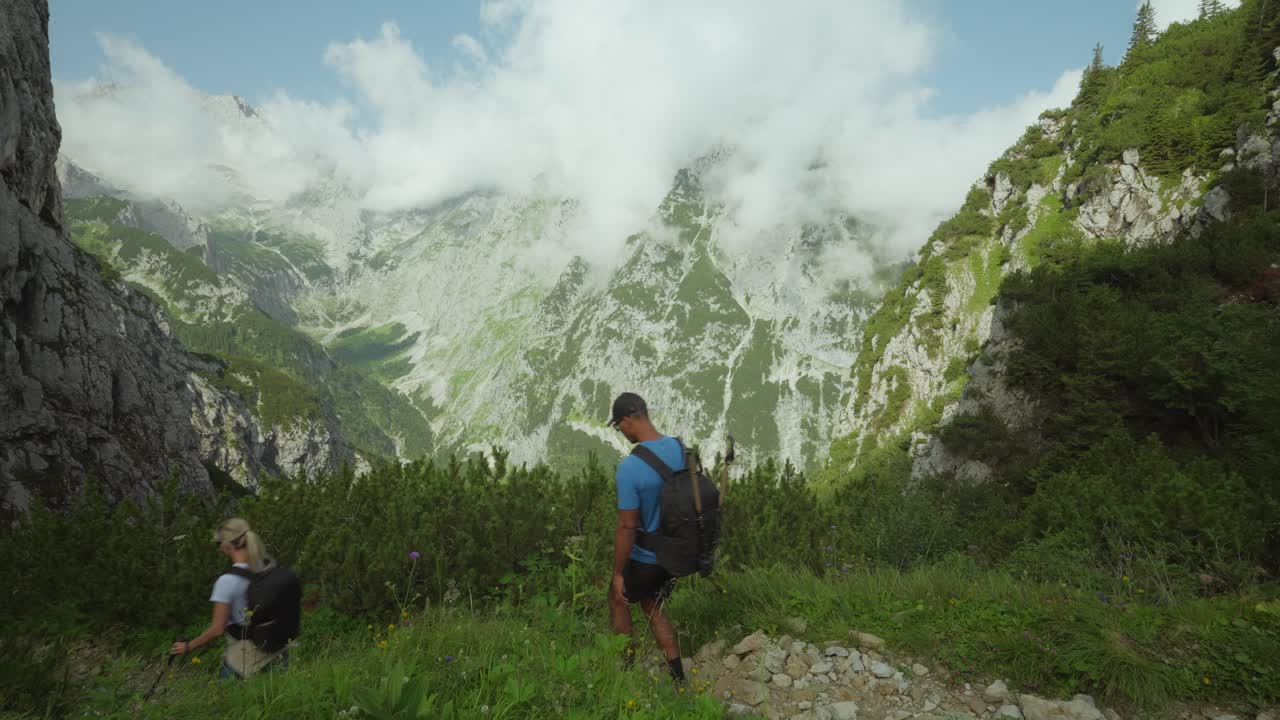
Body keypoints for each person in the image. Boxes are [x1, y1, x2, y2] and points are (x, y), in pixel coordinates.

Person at [606, 392, 686, 684]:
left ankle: (626, 671)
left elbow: (627, 527)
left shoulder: (630, 468)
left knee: (617, 598)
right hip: (677, 550)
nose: (621, 432)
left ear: (627, 420)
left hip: (649, 555)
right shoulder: (678, 448)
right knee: (653, 604)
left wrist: (618, 573)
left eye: (618, 426)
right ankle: (678, 679)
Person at [169, 518, 288, 679]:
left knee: (227, 693)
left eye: (218, 544)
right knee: (277, 692)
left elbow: (217, 629)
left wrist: (188, 646)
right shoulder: (270, 570)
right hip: (277, 646)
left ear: (225, 547)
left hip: (245, 654)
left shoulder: (227, 581)